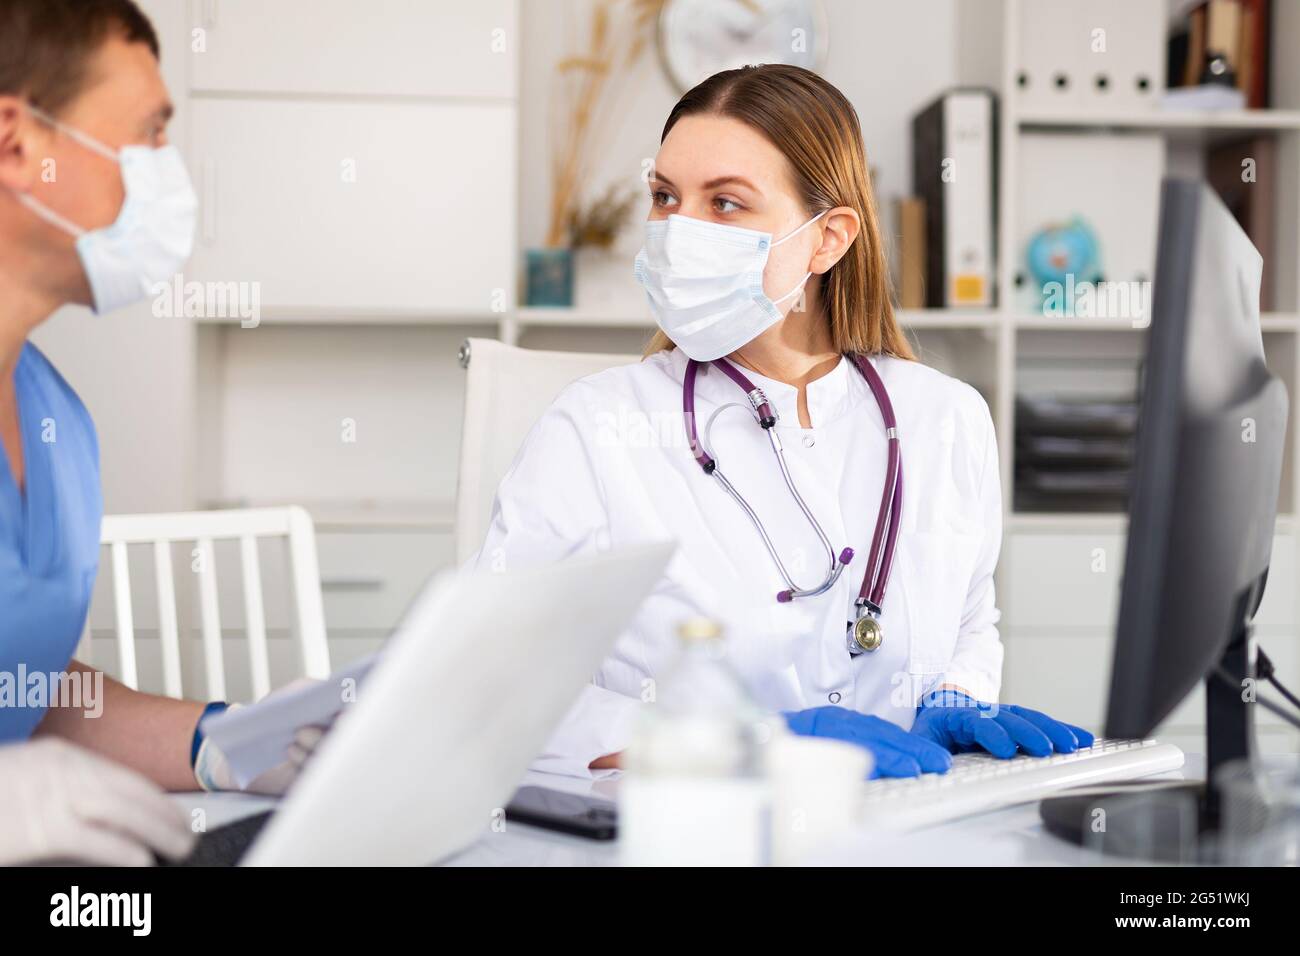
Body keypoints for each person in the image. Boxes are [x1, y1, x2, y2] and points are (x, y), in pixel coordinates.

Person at [471, 64, 1092, 779]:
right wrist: (749, 740)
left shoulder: (945, 417)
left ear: (828, 239)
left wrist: (958, 694)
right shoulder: (597, 428)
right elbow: (491, 685)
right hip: (693, 831)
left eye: (726, 204)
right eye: (665, 197)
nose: (677, 233)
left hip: (905, 825)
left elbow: (970, 623)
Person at [0, 0, 311, 865]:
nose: (168, 176)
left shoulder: (53, 419)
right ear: (18, 144)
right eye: (148, 134)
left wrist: (229, 741)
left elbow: (21, 692)